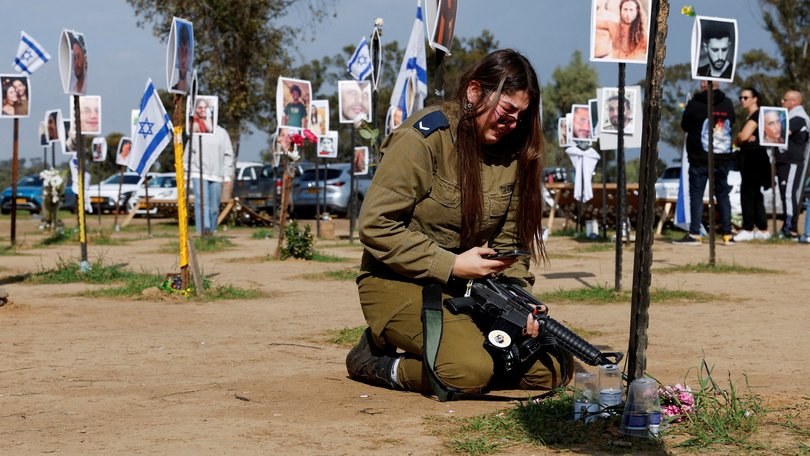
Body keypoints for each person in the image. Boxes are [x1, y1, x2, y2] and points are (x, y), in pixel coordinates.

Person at [345, 49, 571, 396]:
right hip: (396, 281)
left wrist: (520, 303)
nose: (511, 123)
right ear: (474, 92)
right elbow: (376, 226)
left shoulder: (512, 153)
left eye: (520, 117)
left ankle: (460, 351)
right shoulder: (424, 139)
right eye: (506, 110)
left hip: (472, 291)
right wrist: (451, 264)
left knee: (553, 368)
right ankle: (378, 363)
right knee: (467, 371)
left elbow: (510, 247)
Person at [674, 80, 736, 245]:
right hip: (722, 157)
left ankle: (695, 233)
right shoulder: (728, 103)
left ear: (703, 85)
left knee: (697, 195)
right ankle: (728, 234)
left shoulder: (695, 104)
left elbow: (685, 125)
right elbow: (733, 122)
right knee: (723, 195)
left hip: (699, 158)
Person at [732, 88, 771, 241]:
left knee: (748, 193)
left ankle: (748, 228)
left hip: (753, 159)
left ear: (755, 99)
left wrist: (741, 138)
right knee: (755, 194)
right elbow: (741, 138)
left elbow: (743, 136)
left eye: (746, 97)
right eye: (741, 97)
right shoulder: (752, 116)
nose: (742, 100)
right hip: (751, 158)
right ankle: (762, 228)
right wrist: (741, 138)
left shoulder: (757, 115)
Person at [184, 125, 235, 235]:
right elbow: (189, 153)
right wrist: (186, 173)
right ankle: (202, 230)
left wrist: (227, 174)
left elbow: (228, 154)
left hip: (217, 174)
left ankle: (212, 230)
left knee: (214, 206)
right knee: (202, 202)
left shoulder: (222, 133)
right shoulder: (196, 132)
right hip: (198, 172)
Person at [775, 90, 809, 239]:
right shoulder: (790, 116)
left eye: (785, 99)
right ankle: (787, 227)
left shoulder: (798, 118)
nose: (782, 102)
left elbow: (781, 133)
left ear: (794, 102)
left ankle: (791, 229)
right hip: (784, 161)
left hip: (792, 162)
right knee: (785, 195)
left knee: (789, 195)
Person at [171, 24, 191, 93]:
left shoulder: (192, 93)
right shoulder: (173, 90)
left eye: (186, 51)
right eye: (182, 50)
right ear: (178, 52)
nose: (183, 58)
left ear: (190, 54)